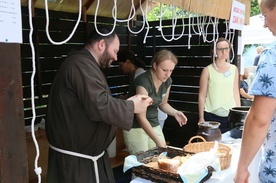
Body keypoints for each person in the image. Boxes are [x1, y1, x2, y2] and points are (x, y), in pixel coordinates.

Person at [45, 26, 153, 183]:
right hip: (77, 163)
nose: (116, 58)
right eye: (115, 51)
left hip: (88, 158)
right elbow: (99, 104)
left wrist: (128, 103)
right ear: (101, 44)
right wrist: (131, 106)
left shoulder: (85, 64)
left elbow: (93, 101)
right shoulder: (79, 64)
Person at [234, 0, 276, 182]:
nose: (265, 24)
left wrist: (242, 168)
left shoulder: (272, 56)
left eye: (265, 16)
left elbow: (259, 119)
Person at [123, 49, 188, 155]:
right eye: (164, 70)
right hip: (135, 126)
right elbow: (141, 117)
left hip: (153, 122)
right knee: (142, 164)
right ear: (155, 65)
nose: (168, 74)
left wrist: (175, 113)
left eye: (171, 70)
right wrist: (158, 141)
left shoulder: (167, 81)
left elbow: (163, 103)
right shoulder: (143, 82)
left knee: (160, 158)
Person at [198, 38, 240, 133]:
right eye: (220, 49)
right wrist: (201, 117)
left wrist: (238, 113)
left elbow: (236, 93)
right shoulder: (207, 70)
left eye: (226, 48)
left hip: (230, 113)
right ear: (214, 51)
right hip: (211, 113)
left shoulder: (234, 69)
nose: (224, 52)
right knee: (212, 143)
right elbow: (202, 95)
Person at [117, 49, 168, 129]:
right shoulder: (137, 75)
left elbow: (138, 98)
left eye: (121, 65)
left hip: (154, 116)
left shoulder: (140, 76)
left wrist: (121, 99)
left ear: (128, 62)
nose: (120, 68)